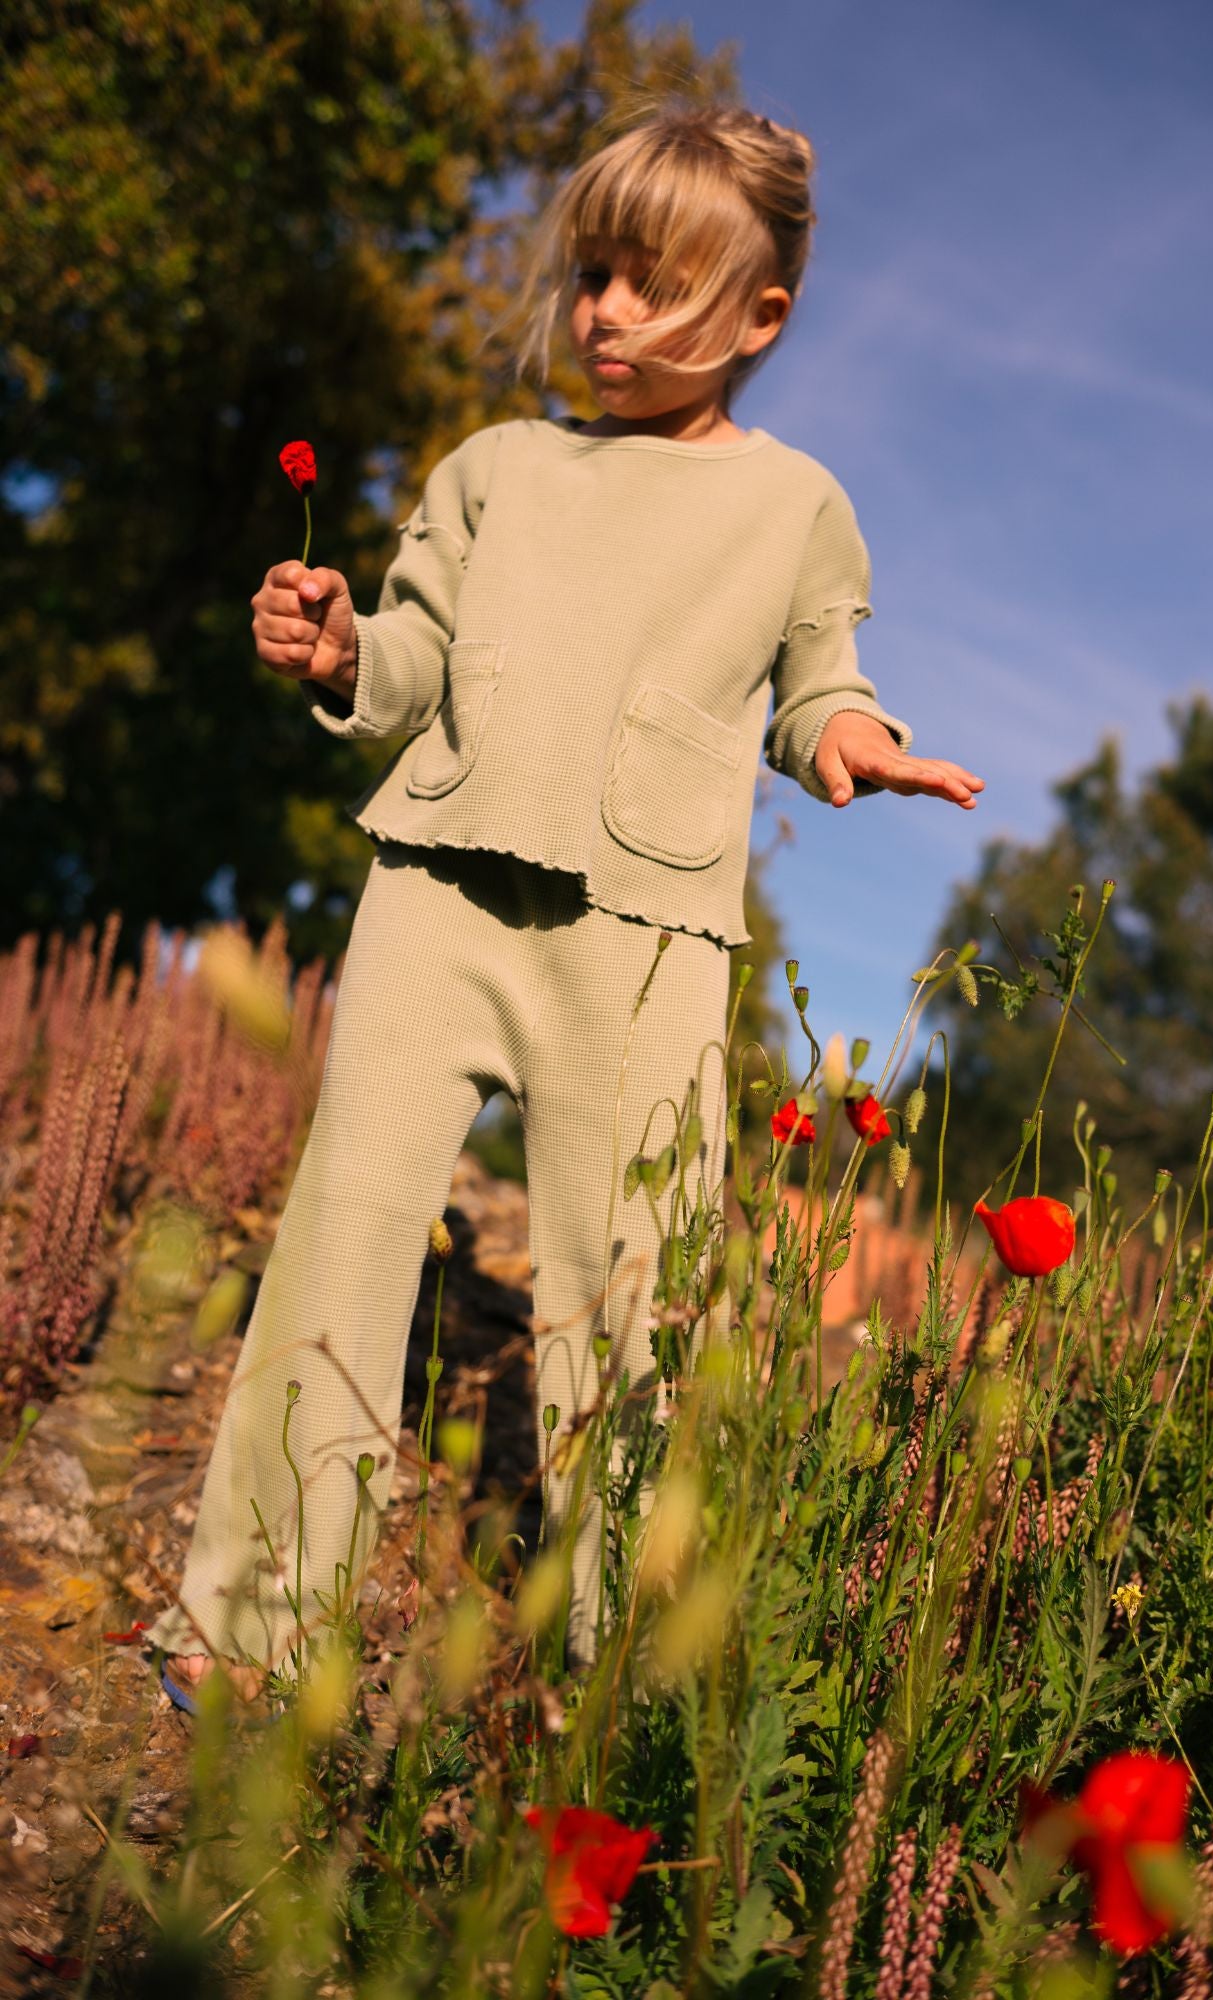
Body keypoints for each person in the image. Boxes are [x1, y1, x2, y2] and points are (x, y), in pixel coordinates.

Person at [145, 100, 984, 1703]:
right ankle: (245, 1630)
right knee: (343, 1237)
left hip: (651, 935)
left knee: (633, 1288)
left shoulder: (796, 503)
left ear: (757, 316)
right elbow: (407, 664)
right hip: (435, 893)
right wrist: (335, 649)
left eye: (653, 284)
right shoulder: (492, 470)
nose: (604, 313)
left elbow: (820, 686)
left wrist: (858, 746)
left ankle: (622, 1666)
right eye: (592, 273)